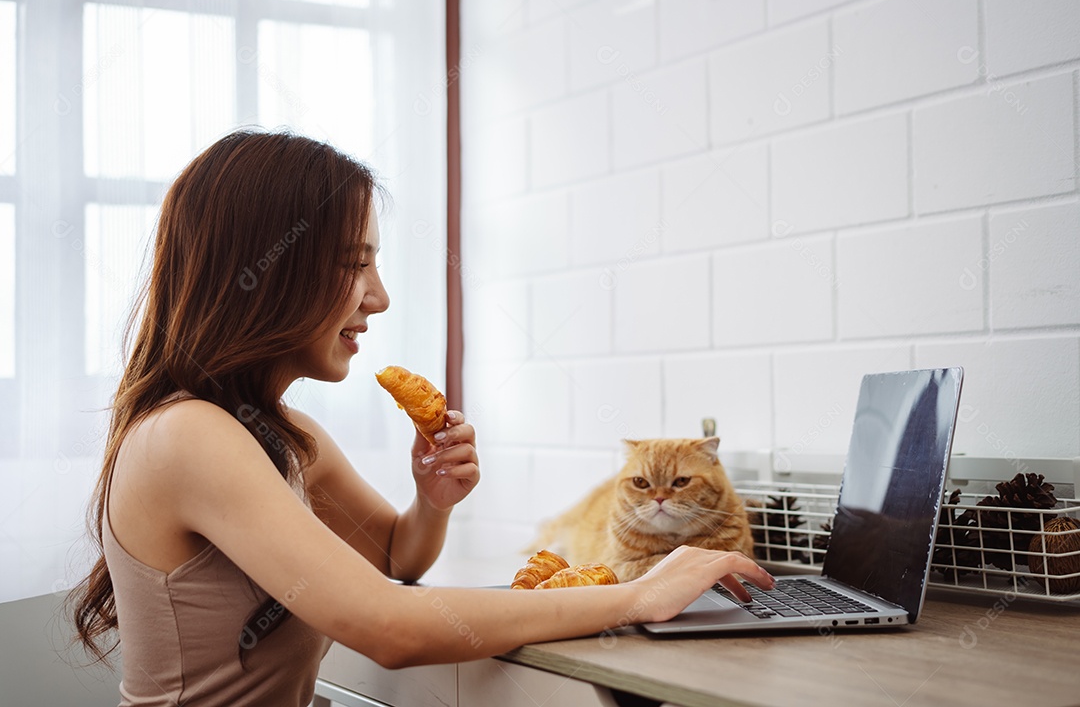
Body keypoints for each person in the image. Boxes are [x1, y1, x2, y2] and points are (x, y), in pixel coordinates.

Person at [69, 129, 775, 706]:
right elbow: (388, 627)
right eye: (355, 264)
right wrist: (638, 596)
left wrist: (429, 501)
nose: (378, 297)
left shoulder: (285, 437)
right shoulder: (188, 435)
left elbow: (394, 559)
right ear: (267, 270)